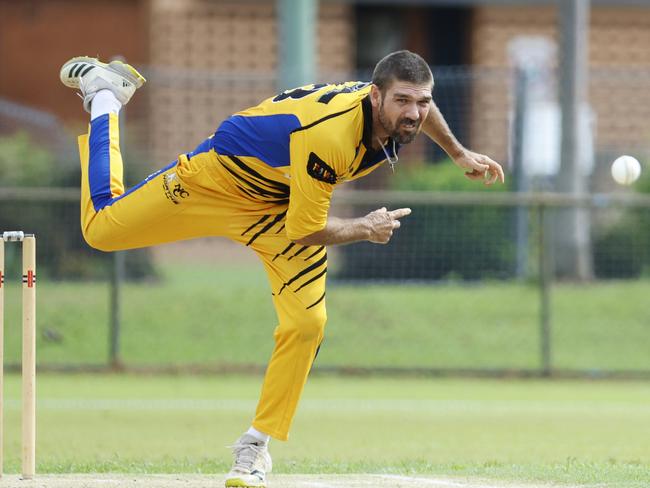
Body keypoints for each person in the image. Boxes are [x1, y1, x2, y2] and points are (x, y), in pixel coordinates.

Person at [59, 50, 504, 488]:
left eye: (421, 101)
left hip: (278, 208)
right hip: (216, 183)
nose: (414, 113)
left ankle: (255, 446)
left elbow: (422, 108)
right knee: (102, 229)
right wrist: (364, 228)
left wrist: (459, 153)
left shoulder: (400, 104)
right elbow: (308, 230)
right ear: (374, 96)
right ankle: (106, 98)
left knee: (308, 323)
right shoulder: (330, 138)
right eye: (403, 101)